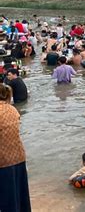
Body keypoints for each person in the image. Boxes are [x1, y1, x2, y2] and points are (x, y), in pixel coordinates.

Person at [0, 84, 31, 212]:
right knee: (19, 195)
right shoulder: (13, 110)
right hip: (18, 157)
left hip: (3, 160)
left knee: (6, 199)